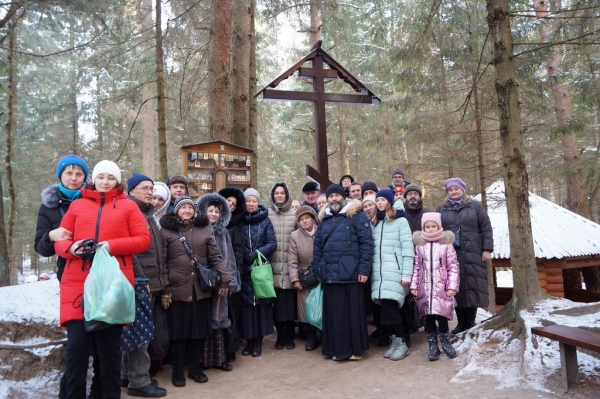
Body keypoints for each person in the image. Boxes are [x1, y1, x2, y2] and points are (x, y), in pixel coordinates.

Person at [54, 160, 152, 399]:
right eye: (101, 177)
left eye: (110, 177)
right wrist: (72, 248)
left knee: (109, 356)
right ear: (94, 180)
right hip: (77, 285)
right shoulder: (77, 206)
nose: (105, 182)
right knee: (76, 353)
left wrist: (111, 246)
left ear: (117, 181)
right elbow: (60, 240)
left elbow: (143, 239)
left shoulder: (129, 207)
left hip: (112, 287)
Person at [160, 196, 231, 387]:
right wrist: (166, 288)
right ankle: (177, 371)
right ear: (177, 210)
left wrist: (226, 278)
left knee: (198, 332)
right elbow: (163, 263)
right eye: (182, 207)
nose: (186, 210)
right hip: (177, 290)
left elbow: (215, 257)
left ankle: (194, 368)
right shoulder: (167, 231)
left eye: (189, 207)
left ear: (194, 210)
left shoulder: (204, 229)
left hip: (200, 289)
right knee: (178, 334)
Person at [313, 184, 374, 361]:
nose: (333, 199)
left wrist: (364, 270)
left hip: (352, 274)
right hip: (330, 275)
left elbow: (366, 244)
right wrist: (319, 269)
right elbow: (317, 247)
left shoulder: (356, 216)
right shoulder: (324, 220)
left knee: (352, 314)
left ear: (343, 197)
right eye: (330, 196)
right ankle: (336, 350)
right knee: (334, 315)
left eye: (336, 196)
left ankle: (356, 350)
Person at [122, 173, 168, 398]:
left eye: (151, 188)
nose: (150, 192)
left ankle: (126, 373)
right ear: (131, 191)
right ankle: (139, 381)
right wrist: (141, 281)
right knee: (140, 335)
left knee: (134, 332)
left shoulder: (149, 214)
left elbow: (157, 252)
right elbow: (131, 252)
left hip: (151, 282)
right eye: (144, 188)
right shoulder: (131, 212)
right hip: (141, 283)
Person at [436, 177, 493, 334]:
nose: (454, 192)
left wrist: (487, 249)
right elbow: (435, 230)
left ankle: (470, 321)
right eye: (450, 189)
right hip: (452, 254)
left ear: (463, 189)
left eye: (456, 189)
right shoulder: (442, 209)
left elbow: (486, 228)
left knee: (473, 285)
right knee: (457, 287)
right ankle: (461, 323)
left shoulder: (475, 206)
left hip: (474, 252)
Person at [197, 193, 240, 372]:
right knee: (204, 319)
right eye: (210, 210)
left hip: (221, 283)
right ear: (204, 211)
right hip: (202, 282)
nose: (213, 214)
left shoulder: (224, 233)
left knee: (220, 318)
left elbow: (230, 258)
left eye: (216, 211)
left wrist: (231, 282)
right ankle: (202, 360)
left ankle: (219, 358)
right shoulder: (198, 230)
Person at [370, 189, 414, 361]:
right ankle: (396, 340)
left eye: (382, 199)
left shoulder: (401, 221)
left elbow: (408, 250)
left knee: (390, 308)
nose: (379, 203)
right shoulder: (376, 223)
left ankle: (401, 342)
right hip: (379, 275)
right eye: (377, 200)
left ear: (389, 201)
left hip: (395, 272)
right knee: (386, 309)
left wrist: (406, 274)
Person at [411, 212, 459, 360]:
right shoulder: (420, 246)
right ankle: (433, 346)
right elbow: (416, 267)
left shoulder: (446, 245)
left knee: (442, 316)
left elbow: (453, 267)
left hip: (442, 289)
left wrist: (452, 286)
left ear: (439, 226)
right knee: (429, 318)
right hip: (425, 289)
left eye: (433, 226)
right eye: (427, 226)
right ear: (423, 227)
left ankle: (445, 342)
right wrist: (414, 285)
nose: (430, 229)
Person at [35, 154, 89, 282]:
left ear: (85, 177)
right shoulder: (48, 206)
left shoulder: (95, 199)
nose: (74, 178)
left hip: (98, 267)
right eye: (69, 173)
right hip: (68, 271)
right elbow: (41, 248)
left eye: (79, 174)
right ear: (60, 175)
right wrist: (50, 236)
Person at [239, 188, 276, 357]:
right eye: (248, 200)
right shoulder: (238, 220)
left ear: (258, 202)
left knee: (261, 304)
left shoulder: (265, 221)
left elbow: (272, 243)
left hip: (260, 268)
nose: (251, 204)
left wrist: (257, 253)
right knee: (246, 306)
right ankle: (249, 340)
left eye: (254, 201)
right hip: (243, 269)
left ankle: (259, 340)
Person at [218, 187, 247, 362]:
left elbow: (238, 252)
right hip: (212, 276)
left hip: (231, 275)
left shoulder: (236, 226)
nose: (230, 204)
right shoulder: (209, 221)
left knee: (230, 313)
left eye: (233, 204)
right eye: (227, 201)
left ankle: (229, 348)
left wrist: (233, 277)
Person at [268, 183, 298, 350]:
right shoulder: (267, 214)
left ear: (287, 195)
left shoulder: (294, 215)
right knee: (277, 306)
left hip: (290, 265)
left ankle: (289, 336)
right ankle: (280, 336)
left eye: (282, 193)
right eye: (276, 193)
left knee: (290, 304)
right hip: (272, 266)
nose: (279, 196)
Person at [288, 205, 320, 351]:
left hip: (322, 274)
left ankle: (324, 335)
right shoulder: (295, 236)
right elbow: (292, 260)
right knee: (307, 309)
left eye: (307, 218)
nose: (304, 221)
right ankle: (311, 337)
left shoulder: (322, 231)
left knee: (322, 306)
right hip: (305, 275)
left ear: (313, 218)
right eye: (301, 219)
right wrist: (295, 279)